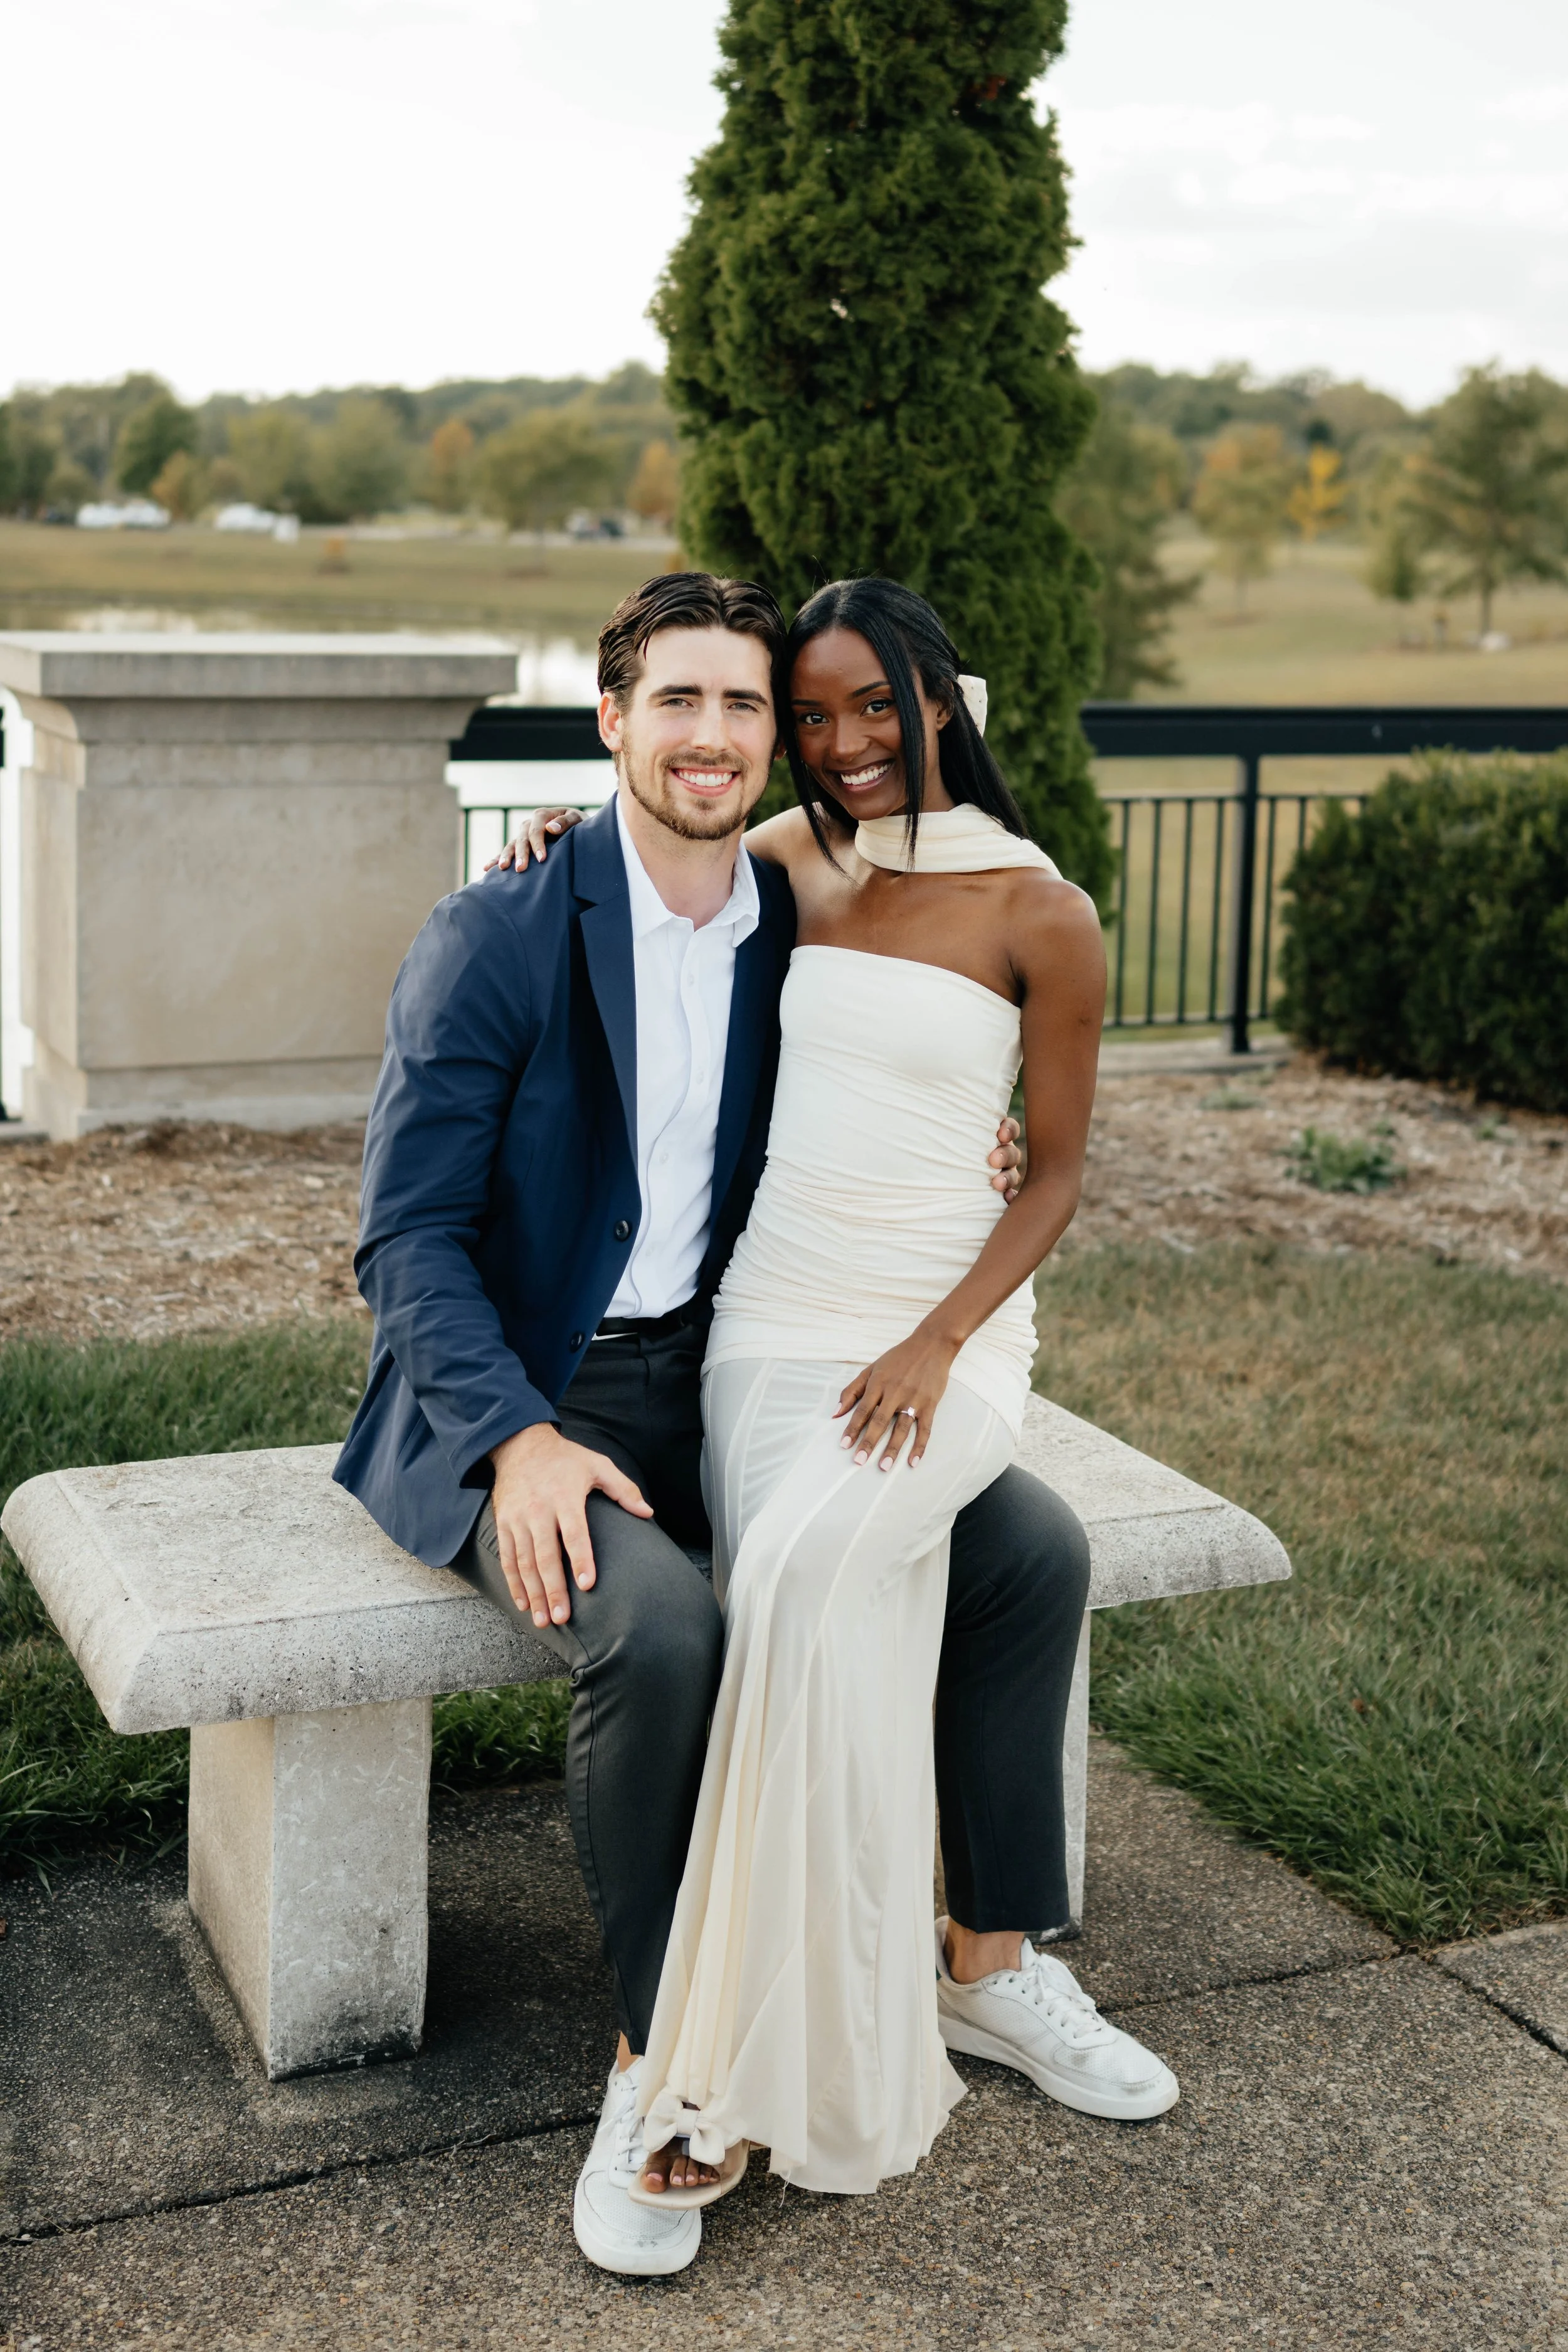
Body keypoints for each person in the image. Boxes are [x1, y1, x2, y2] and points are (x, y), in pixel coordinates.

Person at [339, 570, 1168, 2282]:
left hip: (729, 1360)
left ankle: (987, 1960)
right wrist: (515, 1442)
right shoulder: (503, 927)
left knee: (1028, 1548)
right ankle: (665, 2060)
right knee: (664, 1634)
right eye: (686, 703)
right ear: (614, 724)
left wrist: (974, 1163)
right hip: (538, 1395)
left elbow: (924, 1051)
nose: (723, 737)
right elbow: (403, 1236)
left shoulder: (790, 903)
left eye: (746, 706)